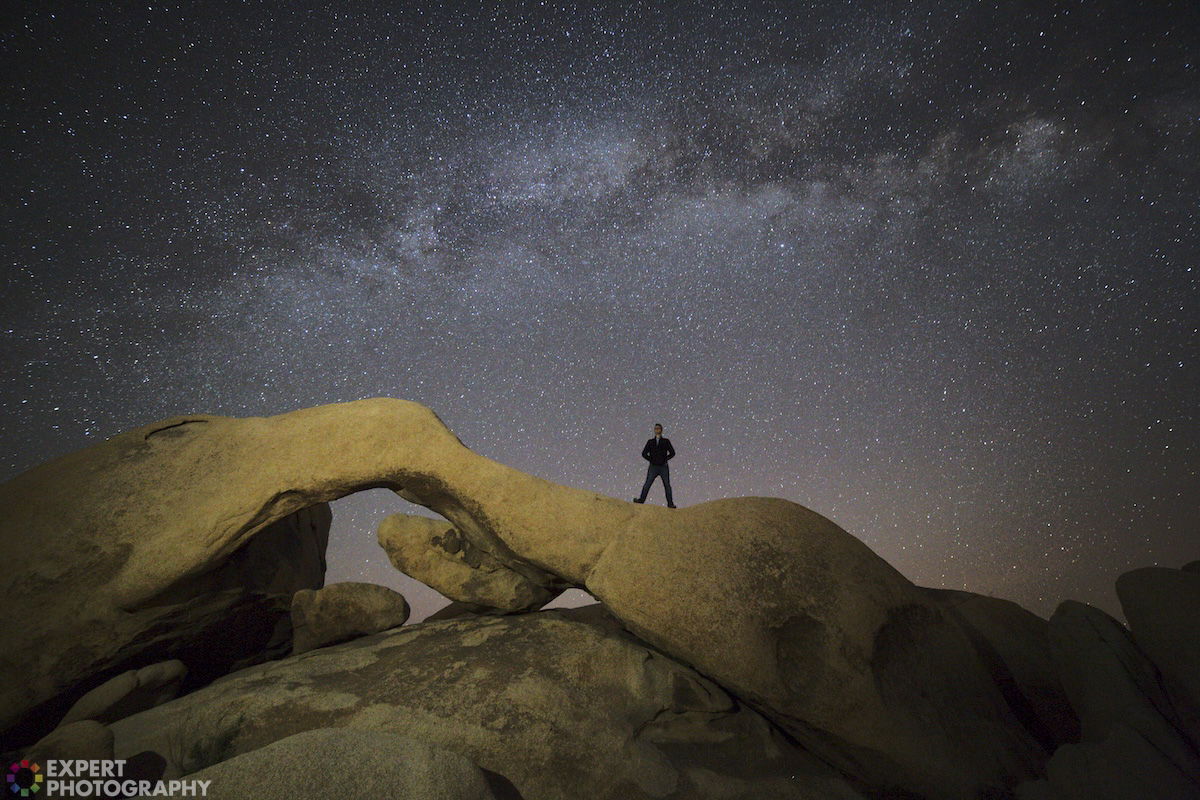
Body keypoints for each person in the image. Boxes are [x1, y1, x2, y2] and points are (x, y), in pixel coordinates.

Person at [633, 423, 676, 507]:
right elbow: (644, 453)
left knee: (667, 485)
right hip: (653, 467)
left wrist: (665, 459)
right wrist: (651, 460)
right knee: (647, 484)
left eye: (658, 428)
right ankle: (641, 500)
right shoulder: (650, 442)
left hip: (663, 466)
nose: (657, 430)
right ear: (654, 430)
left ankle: (670, 504)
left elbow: (672, 453)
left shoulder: (666, 441)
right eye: (656, 429)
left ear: (661, 430)